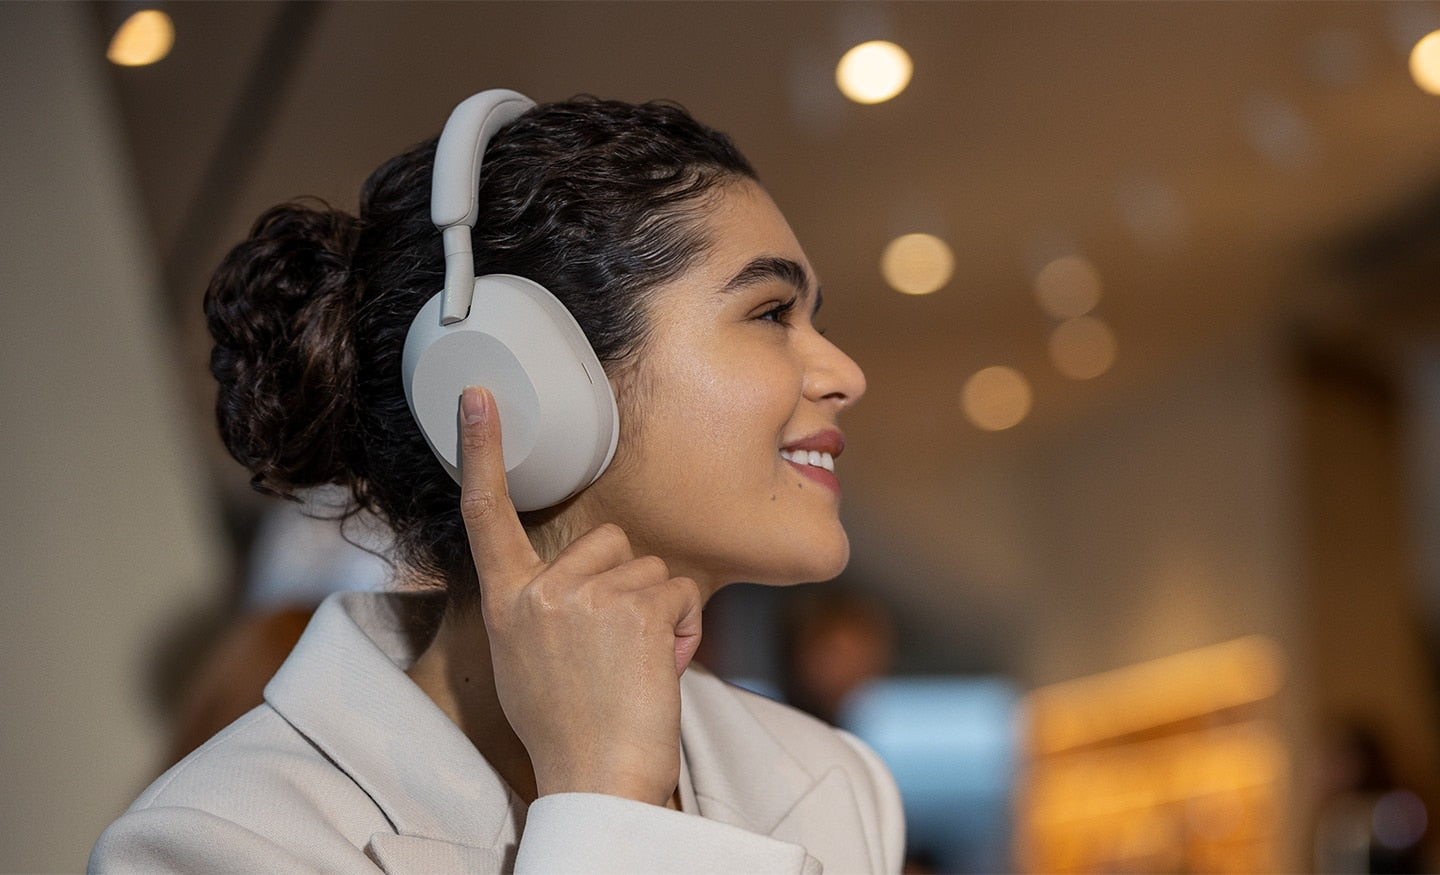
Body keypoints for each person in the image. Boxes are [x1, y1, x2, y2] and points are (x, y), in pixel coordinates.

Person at [91, 91, 904, 873]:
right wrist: (606, 800)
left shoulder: (839, 782)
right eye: (770, 313)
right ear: (525, 374)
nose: (847, 374)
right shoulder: (215, 844)